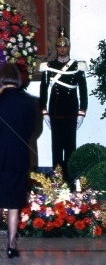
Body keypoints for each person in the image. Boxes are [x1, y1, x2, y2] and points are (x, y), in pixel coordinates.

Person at [0, 63, 35, 259]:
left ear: (0, 78)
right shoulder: (28, 103)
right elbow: (30, 131)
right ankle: (12, 246)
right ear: (18, 79)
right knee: (14, 203)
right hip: (19, 158)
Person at [39, 27, 88, 178]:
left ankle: (70, 178)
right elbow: (43, 90)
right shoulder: (49, 67)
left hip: (72, 112)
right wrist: (44, 111)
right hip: (55, 112)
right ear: (56, 48)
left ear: (69, 47)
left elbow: (83, 91)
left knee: (70, 147)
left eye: (64, 46)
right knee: (56, 148)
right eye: (59, 46)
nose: (62, 49)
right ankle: (57, 180)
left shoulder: (77, 66)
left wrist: (81, 112)